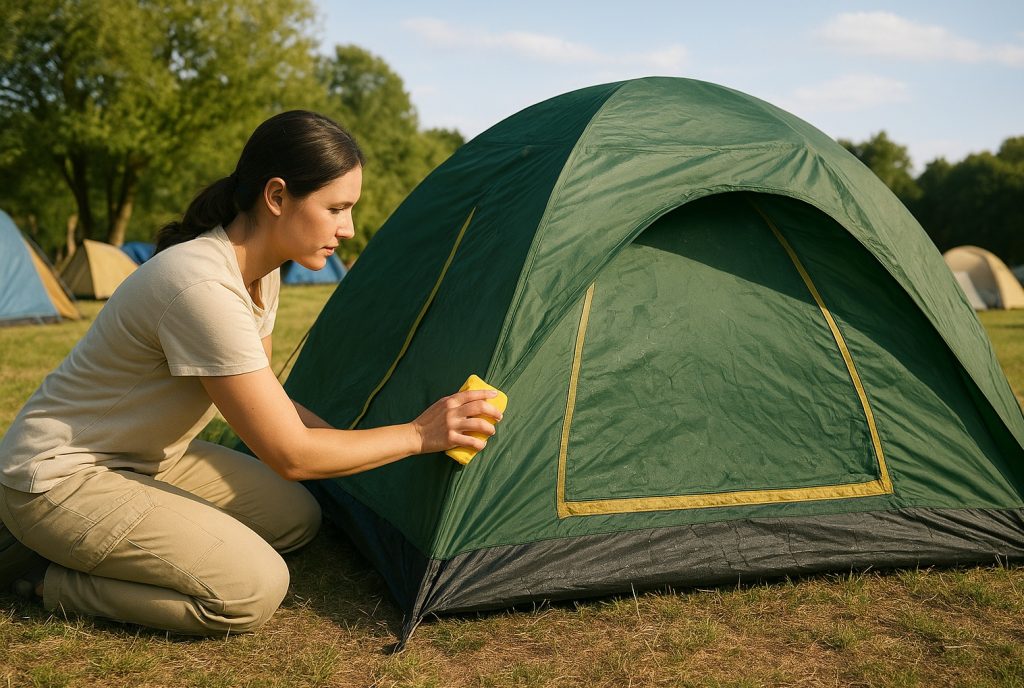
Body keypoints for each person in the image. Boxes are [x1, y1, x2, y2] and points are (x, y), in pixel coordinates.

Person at [0, 110, 502, 635]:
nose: (349, 229)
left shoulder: (261, 272)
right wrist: (418, 435)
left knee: (296, 518)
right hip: (61, 477)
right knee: (251, 589)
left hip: (149, 458)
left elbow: (267, 397)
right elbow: (290, 454)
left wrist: (361, 445)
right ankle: (46, 578)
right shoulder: (201, 285)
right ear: (277, 196)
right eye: (336, 208)